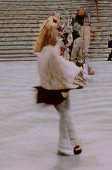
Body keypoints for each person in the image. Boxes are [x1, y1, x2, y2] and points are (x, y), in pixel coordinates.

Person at [34, 19, 83, 157]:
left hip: (50, 87)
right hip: (58, 88)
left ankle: (64, 145)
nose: (59, 33)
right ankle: (74, 143)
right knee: (67, 114)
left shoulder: (44, 51)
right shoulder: (51, 50)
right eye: (57, 30)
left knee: (64, 115)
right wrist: (69, 80)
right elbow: (58, 69)